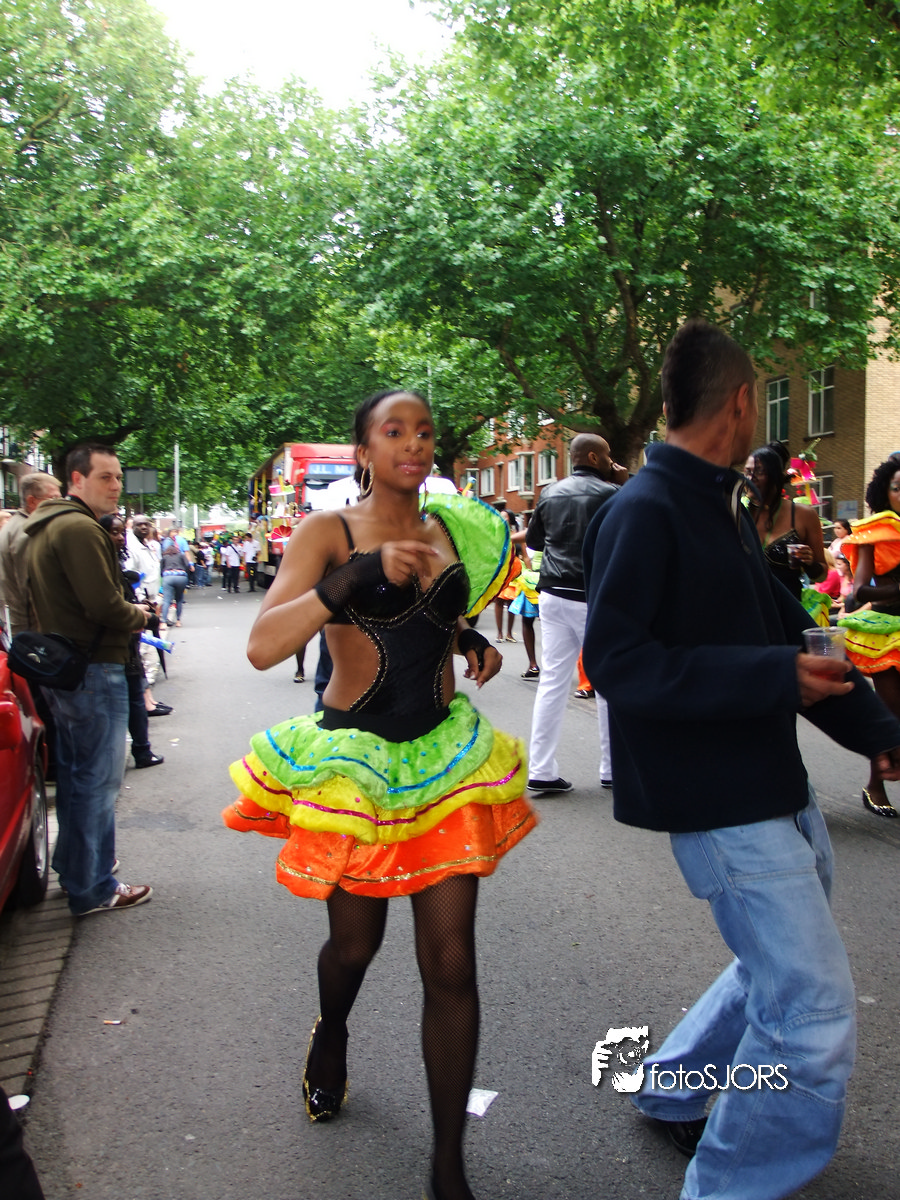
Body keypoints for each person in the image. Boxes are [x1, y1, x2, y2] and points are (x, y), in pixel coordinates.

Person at [583, 320, 900, 1200]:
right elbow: (618, 663)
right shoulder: (643, 509)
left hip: (769, 788)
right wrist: (772, 676)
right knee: (812, 1011)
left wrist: (879, 732)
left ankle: (670, 1087)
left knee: (780, 978)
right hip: (720, 803)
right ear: (741, 402)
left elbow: (784, 624)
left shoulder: (715, 502)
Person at [222, 390, 536, 1200]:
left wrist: (466, 637)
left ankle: (448, 1166)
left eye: (425, 431)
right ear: (363, 450)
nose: (414, 443)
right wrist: (357, 574)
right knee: (354, 947)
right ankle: (332, 1031)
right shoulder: (328, 532)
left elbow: (433, 615)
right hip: (357, 770)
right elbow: (263, 645)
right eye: (394, 431)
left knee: (452, 961)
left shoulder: (451, 529)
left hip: (443, 765)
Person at [24, 443, 154, 915]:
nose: (116, 485)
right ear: (76, 480)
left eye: (117, 476)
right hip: (93, 666)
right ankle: (93, 886)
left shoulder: (48, 524)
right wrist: (141, 615)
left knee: (80, 777)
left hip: (69, 666)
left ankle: (78, 869)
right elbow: (103, 606)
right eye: (105, 477)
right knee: (97, 781)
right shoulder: (79, 528)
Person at [516, 433, 627, 794]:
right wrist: (623, 485)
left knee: (552, 681)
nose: (612, 461)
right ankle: (611, 769)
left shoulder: (550, 492)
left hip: (552, 593)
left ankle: (541, 769)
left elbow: (535, 541)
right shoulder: (611, 494)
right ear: (593, 457)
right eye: (608, 455)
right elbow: (630, 534)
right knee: (606, 681)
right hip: (591, 594)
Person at [838, 456, 900, 817]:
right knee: (892, 716)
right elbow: (857, 590)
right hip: (886, 632)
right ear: (884, 493)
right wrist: (895, 590)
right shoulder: (874, 533)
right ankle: (875, 785)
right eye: (897, 488)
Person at [99, 514, 163, 769]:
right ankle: (140, 751)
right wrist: (140, 614)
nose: (118, 537)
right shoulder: (104, 562)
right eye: (113, 532)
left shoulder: (116, 559)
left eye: (120, 532)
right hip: (119, 642)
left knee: (135, 693)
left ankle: (141, 749)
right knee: (131, 697)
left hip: (127, 640)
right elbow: (111, 604)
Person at [744, 442, 828, 600]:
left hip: (787, 607)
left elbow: (821, 576)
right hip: (746, 607)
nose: (750, 478)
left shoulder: (804, 515)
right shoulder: (738, 512)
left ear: (776, 476)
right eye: (747, 472)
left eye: (759, 471)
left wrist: (810, 563)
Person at [0, 472, 62, 637]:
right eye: (53, 498)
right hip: (30, 629)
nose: (59, 504)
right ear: (32, 501)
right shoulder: (27, 532)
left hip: (19, 625)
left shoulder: (16, 525)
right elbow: (32, 588)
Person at [160, 540, 192, 626]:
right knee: (179, 599)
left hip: (168, 577)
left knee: (166, 600)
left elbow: (161, 569)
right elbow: (187, 565)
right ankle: (178, 621)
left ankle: (163, 622)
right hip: (181, 577)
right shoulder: (181, 555)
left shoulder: (165, 557)